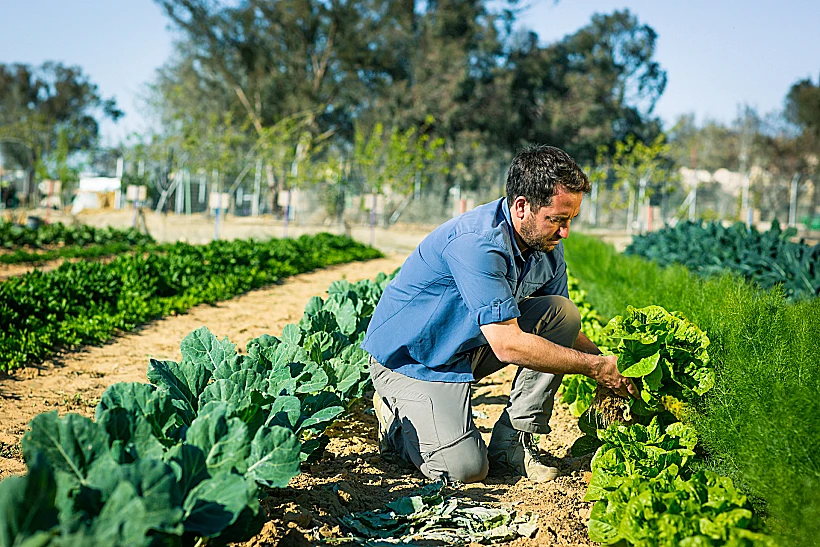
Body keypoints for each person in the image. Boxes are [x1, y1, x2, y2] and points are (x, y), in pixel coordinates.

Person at [361, 144, 637, 484]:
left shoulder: (545, 246)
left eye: (570, 220)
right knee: (465, 469)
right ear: (522, 207)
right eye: (557, 219)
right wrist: (595, 369)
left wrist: (611, 366)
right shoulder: (477, 243)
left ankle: (513, 443)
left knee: (561, 314)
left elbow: (560, 327)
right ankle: (396, 424)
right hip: (413, 361)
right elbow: (508, 345)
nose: (565, 232)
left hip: (465, 346)